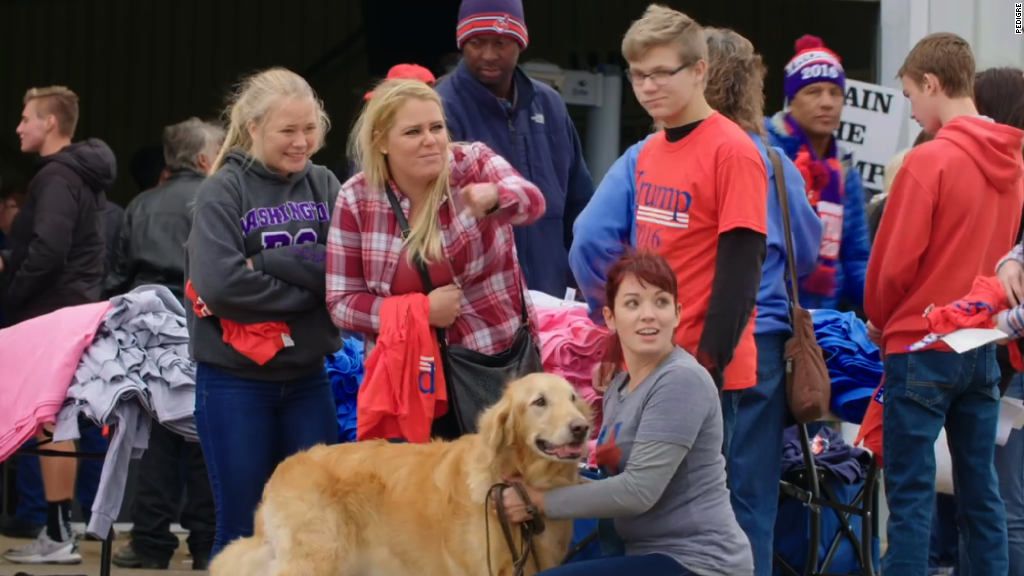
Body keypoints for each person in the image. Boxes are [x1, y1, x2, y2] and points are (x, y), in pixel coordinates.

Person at [866, 33, 1024, 576]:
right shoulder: (1014, 163)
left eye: (911, 95)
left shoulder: (926, 161)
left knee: (910, 498)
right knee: (982, 493)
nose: (911, 109)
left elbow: (892, 268)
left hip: (921, 340)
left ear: (931, 84)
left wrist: (882, 322)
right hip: (981, 343)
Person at [499, 250, 753, 576]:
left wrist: (538, 501)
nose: (648, 315)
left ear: (676, 314)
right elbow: (609, 476)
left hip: (700, 563)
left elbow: (637, 491)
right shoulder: (620, 386)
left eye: (660, 302)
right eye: (633, 303)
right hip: (651, 555)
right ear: (610, 317)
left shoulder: (681, 380)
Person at [325, 78, 546, 440]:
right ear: (382, 141)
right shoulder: (356, 197)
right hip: (405, 378)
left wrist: (496, 195)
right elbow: (341, 302)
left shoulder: (472, 163)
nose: (430, 140)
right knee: (417, 491)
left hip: (491, 364)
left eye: (436, 127)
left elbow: (531, 202)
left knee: (496, 488)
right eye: (413, 131)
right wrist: (421, 311)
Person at [185, 67, 342, 559]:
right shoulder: (222, 191)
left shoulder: (324, 184)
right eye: (287, 131)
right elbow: (222, 285)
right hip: (235, 382)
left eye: (309, 129)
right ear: (254, 128)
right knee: (242, 527)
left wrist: (271, 262)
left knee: (314, 522)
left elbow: (344, 272)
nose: (301, 142)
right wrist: (311, 293)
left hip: (308, 379)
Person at [569, 5, 768, 393]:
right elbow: (636, 265)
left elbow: (741, 275)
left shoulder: (732, 151)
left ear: (699, 71)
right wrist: (617, 347)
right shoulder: (648, 151)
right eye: (639, 75)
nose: (647, 87)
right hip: (647, 364)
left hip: (700, 370)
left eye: (661, 73)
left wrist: (705, 369)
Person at [1, 86, 116, 566]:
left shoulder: (55, 177)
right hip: (69, 308)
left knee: (51, 420)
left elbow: (49, 249)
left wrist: (14, 292)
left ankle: (58, 532)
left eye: (26, 118)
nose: (19, 127)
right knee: (55, 420)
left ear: (50, 122)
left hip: (51, 313)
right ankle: (58, 529)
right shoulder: (77, 176)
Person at [106, 117, 224, 570]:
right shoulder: (215, 199)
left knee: (153, 437)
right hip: (200, 323)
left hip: (146, 328)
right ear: (201, 158)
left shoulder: (139, 204)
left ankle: (150, 542)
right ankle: (204, 544)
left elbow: (115, 277)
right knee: (203, 436)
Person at [434, 0, 594, 298]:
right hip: (478, 300)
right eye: (476, 43)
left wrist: (583, 280)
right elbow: (434, 216)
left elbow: (579, 202)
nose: (489, 55)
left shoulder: (550, 105)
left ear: (521, 42)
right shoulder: (439, 109)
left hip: (554, 296)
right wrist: (494, 204)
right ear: (462, 43)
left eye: (501, 43)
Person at [765, 35, 871, 314]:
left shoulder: (845, 168)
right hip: (769, 318)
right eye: (813, 92)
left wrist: (882, 313)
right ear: (791, 100)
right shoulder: (765, 153)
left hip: (825, 323)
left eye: (835, 93)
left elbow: (856, 258)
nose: (827, 103)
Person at [967, 66, 1024, 576]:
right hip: (997, 349)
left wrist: (1005, 317)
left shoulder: (1006, 177)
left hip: (1005, 352)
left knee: (1005, 506)